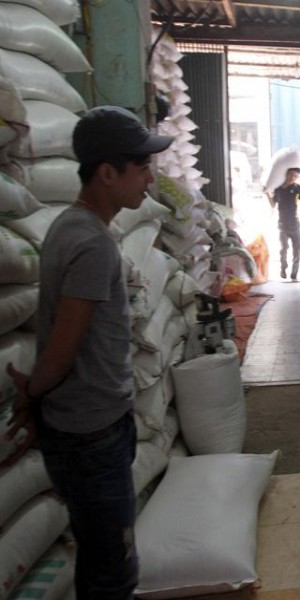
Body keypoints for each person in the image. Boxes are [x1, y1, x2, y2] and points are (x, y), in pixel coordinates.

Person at [3, 105, 174, 599]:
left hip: (85, 429)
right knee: (113, 571)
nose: (148, 179)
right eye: (141, 167)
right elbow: (62, 348)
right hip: (91, 435)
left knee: (100, 560)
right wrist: (31, 393)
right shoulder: (92, 245)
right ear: (106, 173)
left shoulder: (68, 227)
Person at [269, 167, 300, 281]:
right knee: (283, 249)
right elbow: (273, 205)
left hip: (295, 225)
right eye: (291, 174)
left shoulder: (297, 188)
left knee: (297, 251)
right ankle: (283, 268)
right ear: (286, 174)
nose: (292, 177)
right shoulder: (278, 189)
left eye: (295, 176)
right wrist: (267, 194)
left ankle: (294, 273)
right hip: (282, 226)